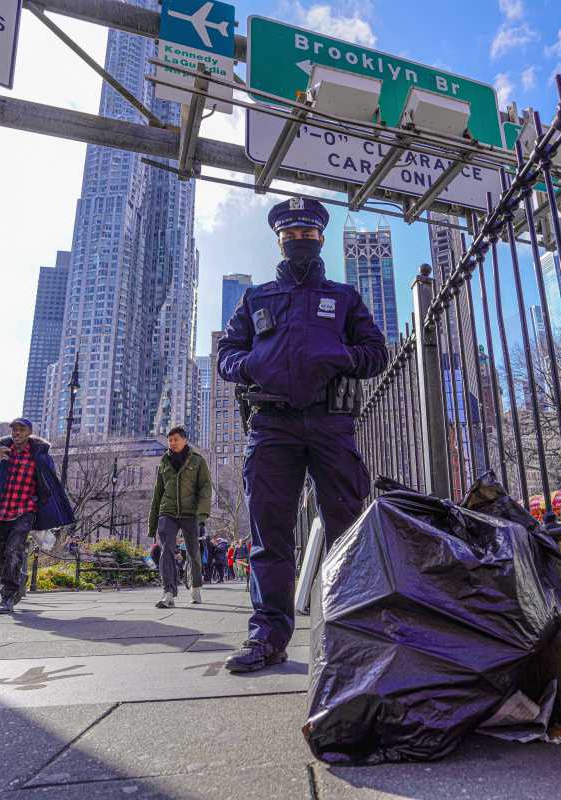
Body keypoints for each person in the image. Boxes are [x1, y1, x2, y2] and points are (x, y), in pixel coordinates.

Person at [216, 197, 387, 673]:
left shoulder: (345, 297)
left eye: (307, 235)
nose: (299, 242)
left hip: (331, 422)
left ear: (321, 239)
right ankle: (268, 637)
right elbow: (226, 354)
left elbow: (376, 352)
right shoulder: (256, 299)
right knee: (269, 535)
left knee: (347, 529)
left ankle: (353, 632)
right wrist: (251, 363)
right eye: (291, 236)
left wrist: (337, 355)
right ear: (279, 240)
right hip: (271, 425)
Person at [0, 418, 75, 615]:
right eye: (14, 430)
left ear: (29, 432)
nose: (17, 433)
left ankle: (7, 596)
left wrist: (47, 503)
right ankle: (17, 577)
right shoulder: (1, 452)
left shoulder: (39, 455)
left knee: (14, 550)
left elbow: (49, 480)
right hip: (0, 510)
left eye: (21, 430)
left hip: (25, 510)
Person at [148, 425, 210, 608]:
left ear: (185, 440)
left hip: (190, 513)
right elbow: (157, 493)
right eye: (170, 440)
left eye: (176, 439)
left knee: (193, 551)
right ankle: (168, 593)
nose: (172, 443)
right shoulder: (163, 462)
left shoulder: (198, 461)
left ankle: (195, 586)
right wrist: (152, 525)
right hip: (167, 511)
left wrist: (201, 515)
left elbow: (205, 488)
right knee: (166, 550)